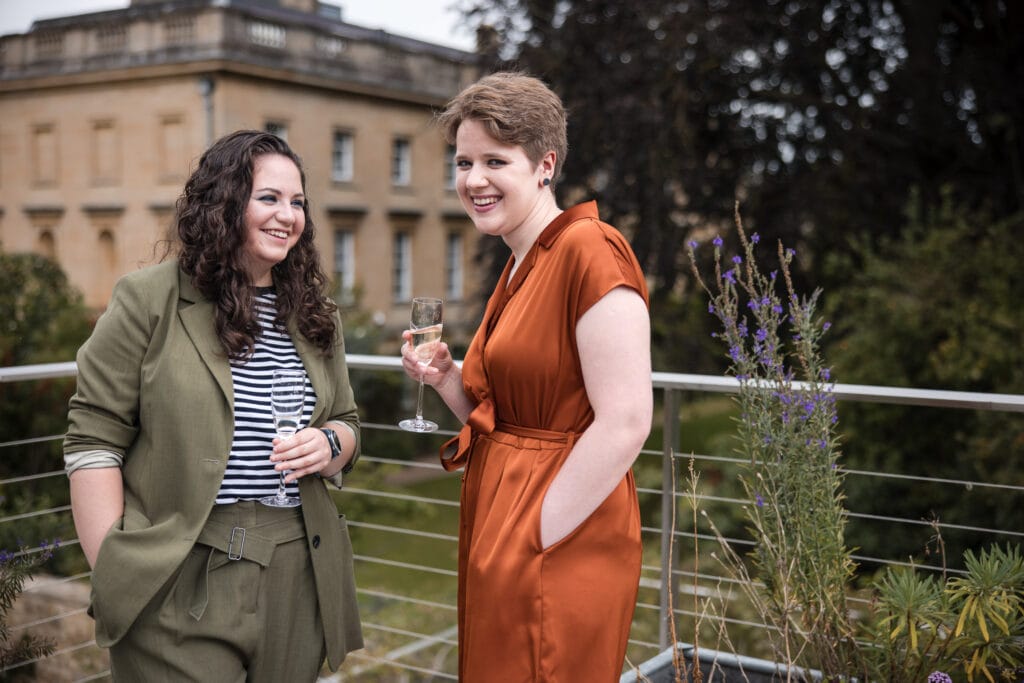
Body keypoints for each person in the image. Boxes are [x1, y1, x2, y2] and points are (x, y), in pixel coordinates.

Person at [64, 130, 363, 681]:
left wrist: (328, 445)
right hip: (179, 570)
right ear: (224, 204)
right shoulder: (148, 299)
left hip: (298, 569)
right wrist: (115, 565)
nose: (287, 215)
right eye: (268, 198)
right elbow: (92, 439)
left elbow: (346, 423)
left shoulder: (317, 314)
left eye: (297, 202)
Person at [401, 71, 653, 682]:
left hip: (556, 533)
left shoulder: (590, 249)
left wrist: (537, 531)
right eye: (463, 161)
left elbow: (625, 421)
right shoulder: (520, 262)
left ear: (545, 164)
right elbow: (505, 418)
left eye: (495, 160)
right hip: (505, 518)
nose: (474, 180)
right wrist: (447, 380)